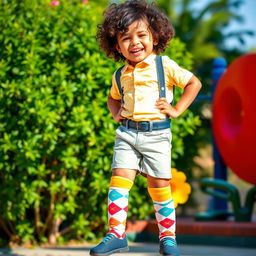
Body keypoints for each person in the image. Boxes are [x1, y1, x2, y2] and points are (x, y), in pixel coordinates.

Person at [90, 0, 201, 255]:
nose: (135, 42)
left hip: (157, 135)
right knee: (118, 179)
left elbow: (193, 83)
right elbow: (112, 97)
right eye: (126, 38)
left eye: (141, 35)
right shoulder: (120, 74)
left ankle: (168, 239)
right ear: (116, 45)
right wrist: (115, 111)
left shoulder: (165, 65)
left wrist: (177, 109)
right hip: (127, 134)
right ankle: (116, 234)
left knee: (160, 185)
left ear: (155, 36)